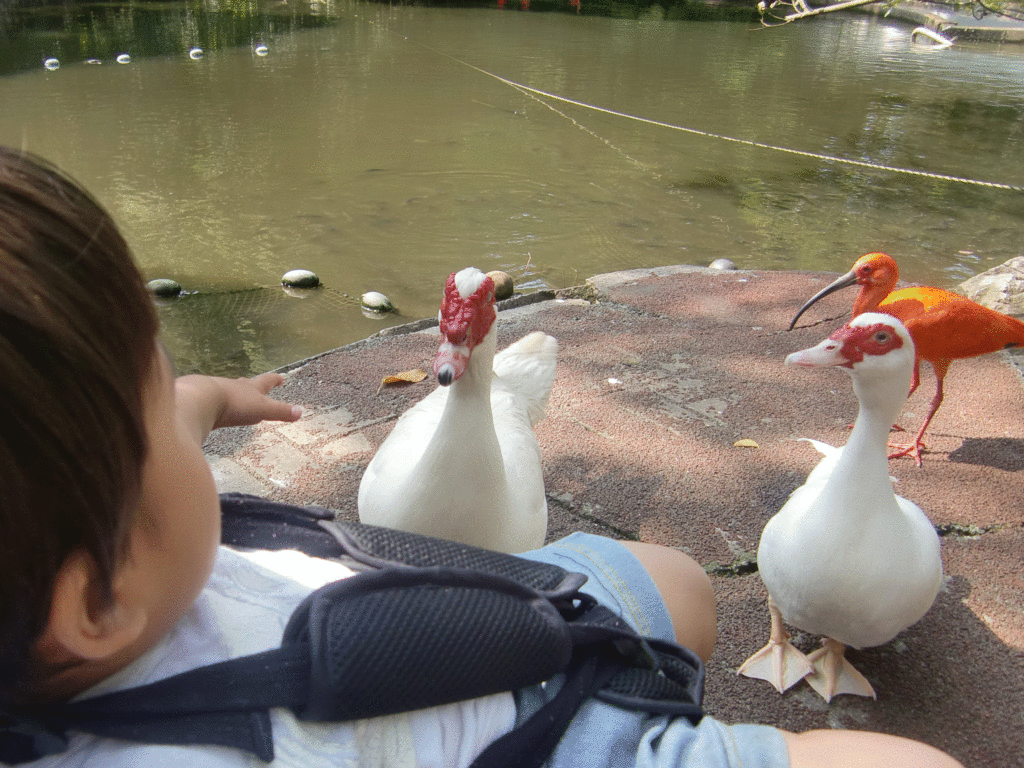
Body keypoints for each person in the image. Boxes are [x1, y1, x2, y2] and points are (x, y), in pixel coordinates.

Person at [0, 145, 963, 768]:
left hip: (380, 591)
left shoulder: (82, 534)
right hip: (509, 730)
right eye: (157, 407)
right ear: (90, 597)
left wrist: (203, 400)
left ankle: (648, 652)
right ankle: (646, 703)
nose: (178, 409)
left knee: (681, 584)